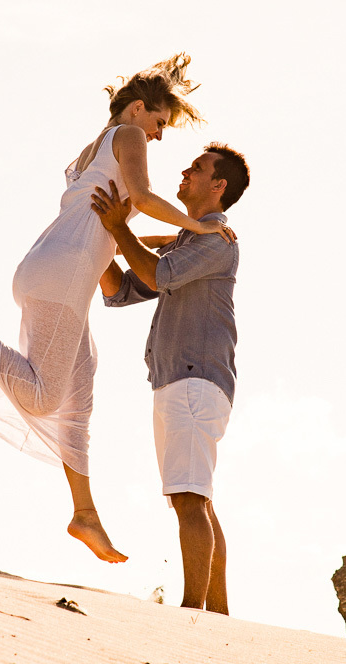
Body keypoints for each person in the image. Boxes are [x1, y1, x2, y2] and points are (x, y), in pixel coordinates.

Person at [0, 54, 233, 564]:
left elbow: (104, 230)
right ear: (138, 109)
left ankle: (85, 514)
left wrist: (173, 239)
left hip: (54, 267)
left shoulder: (91, 151)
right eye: (160, 122)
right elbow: (143, 198)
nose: (160, 135)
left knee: (79, 395)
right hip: (62, 277)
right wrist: (200, 227)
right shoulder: (129, 136)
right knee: (42, 399)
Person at [89, 142, 250, 613]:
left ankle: (193, 612)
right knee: (194, 499)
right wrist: (99, 242)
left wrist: (118, 228)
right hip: (178, 381)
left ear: (218, 186)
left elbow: (156, 275)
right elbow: (123, 289)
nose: (185, 171)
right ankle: (215, 613)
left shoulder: (217, 239)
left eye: (197, 168)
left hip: (194, 381)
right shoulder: (187, 241)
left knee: (189, 497)